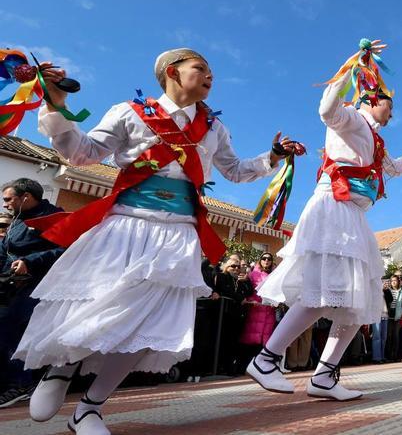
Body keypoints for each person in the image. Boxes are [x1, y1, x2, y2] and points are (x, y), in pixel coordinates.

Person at [14, 48, 296, 433]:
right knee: (98, 306)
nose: (210, 76)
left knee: (146, 328)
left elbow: (235, 170)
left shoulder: (214, 128)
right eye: (201, 68)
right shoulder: (129, 112)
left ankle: (90, 409)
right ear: (172, 72)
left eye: (212, 71)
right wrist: (56, 105)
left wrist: (273, 156)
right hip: (126, 226)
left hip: (178, 236)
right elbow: (82, 154)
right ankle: (61, 371)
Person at [253, 40, 402, 400]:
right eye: (390, 106)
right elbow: (326, 109)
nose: (391, 114)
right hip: (332, 208)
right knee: (321, 292)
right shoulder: (351, 118)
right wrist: (353, 65)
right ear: (374, 99)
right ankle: (266, 359)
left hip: (354, 217)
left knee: (357, 302)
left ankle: (324, 377)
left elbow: (395, 170)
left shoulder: (376, 140)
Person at [0, 179, 64, 409]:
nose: (5, 204)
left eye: (9, 199)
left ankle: (21, 385)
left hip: (37, 287)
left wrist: (29, 261)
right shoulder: (17, 220)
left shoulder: (54, 217)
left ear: (26, 197)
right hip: (9, 285)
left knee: (13, 333)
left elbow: (63, 250)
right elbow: (6, 248)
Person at [239, 253, 278, 364]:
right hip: (255, 309)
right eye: (264, 258)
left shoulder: (275, 275)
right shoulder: (253, 274)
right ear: (260, 260)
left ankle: (258, 366)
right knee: (250, 339)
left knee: (264, 340)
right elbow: (248, 289)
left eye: (269, 259)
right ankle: (244, 366)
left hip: (269, 311)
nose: (266, 260)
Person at [384, 274, 402, 361]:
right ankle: (388, 355)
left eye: (395, 280)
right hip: (388, 314)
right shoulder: (387, 290)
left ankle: (395, 356)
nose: (394, 282)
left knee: (396, 336)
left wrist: (401, 312)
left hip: (397, 314)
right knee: (388, 335)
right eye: (392, 280)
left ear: (398, 282)